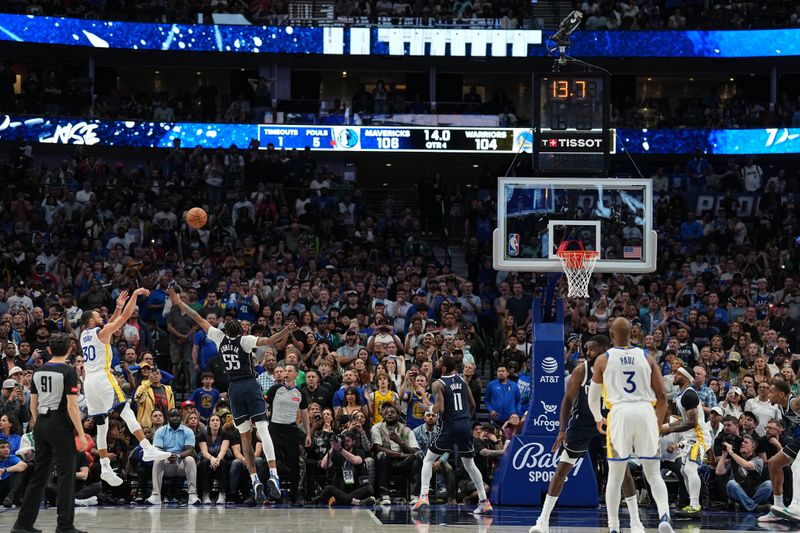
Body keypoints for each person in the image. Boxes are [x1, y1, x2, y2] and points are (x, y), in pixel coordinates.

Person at [168, 288, 295, 504]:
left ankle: (254, 478)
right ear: (240, 330)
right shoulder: (245, 341)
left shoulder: (219, 338)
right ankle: (272, 474)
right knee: (263, 429)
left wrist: (179, 302)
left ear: (225, 329)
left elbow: (197, 318)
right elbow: (270, 340)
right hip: (249, 385)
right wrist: (286, 330)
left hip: (234, 389)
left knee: (245, 435)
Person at [530, 335, 644, 533]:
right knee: (562, 468)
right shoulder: (581, 371)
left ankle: (636, 522)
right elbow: (566, 400)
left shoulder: (619, 371)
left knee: (622, 471)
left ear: (603, 349)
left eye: (591, 349)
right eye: (586, 348)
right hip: (582, 422)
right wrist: (561, 430)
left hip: (610, 422)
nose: (587, 352)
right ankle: (543, 520)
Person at [589, 318, 674, 533]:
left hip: (620, 412)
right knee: (654, 474)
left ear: (611, 333)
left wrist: (599, 417)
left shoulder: (603, 359)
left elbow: (592, 397)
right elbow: (663, 395)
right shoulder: (646, 356)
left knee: (616, 475)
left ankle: (614, 527)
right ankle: (664, 516)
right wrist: (657, 424)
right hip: (645, 410)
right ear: (632, 333)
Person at [79, 289, 171, 487]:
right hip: (104, 378)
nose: (101, 317)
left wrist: (118, 306)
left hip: (89, 382)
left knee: (102, 425)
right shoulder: (100, 332)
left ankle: (104, 466)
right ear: (91, 322)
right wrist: (135, 295)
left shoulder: (84, 335)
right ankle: (147, 447)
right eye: (97, 316)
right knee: (127, 411)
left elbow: (110, 323)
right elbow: (126, 318)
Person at [11, 332, 89, 533]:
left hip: (41, 424)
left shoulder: (38, 371)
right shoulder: (68, 372)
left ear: (49, 350)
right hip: (60, 424)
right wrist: (80, 434)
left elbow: (33, 406)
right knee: (66, 476)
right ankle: (64, 525)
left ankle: (23, 524)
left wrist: (39, 426)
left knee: (39, 476)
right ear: (70, 350)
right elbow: (72, 407)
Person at [413, 355, 492, 514]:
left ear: (442, 368)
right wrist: (465, 419)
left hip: (449, 425)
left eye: (439, 363)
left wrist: (427, 406)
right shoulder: (463, 381)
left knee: (428, 459)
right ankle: (484, 501)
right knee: (469, 464)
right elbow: (473, 404)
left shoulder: (437, 384)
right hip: (464, 424)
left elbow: (440, 409)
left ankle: (423, 497)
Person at [661, 366, 712, 518]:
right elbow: (683, 421)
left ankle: (695, 506)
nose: (674, 376)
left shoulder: (689, 395)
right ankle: (693, 504)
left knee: (690, 469)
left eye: (677, 373)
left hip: (698, 438)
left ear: (685, 376)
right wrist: (666, 426)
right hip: (690, 438)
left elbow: (692, 423)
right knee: (684, 471)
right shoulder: (682, 394)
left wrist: (669, 430)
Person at [264, 364, 312, 503]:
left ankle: (294, 496)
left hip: (291, 430)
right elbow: (264, 407)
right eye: (285, 370)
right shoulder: (275, 389)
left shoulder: (300, 392)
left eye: (290, 371)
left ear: (296, 375)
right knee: (275, 462)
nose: (286, 373)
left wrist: (308, 433)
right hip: (275, 429)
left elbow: (304, 414)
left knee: (294, 464)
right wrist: (261, 428)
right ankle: (273, 494)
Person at [759, 380, 800, 522]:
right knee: (773, 463)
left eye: (772, 392)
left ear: (782, 394)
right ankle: (778, 507)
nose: (769, 395)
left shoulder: (794, 402)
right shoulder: (782, 408)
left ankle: (797, 507)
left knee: (797, 466)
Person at [147, 408, 199, 506]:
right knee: (157, 460)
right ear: (168, 418)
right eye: (172, 416)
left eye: (177, 416)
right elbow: (157, 449)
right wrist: (167, 456)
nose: (175, 418)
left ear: (181, 417)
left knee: (190, 459)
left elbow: (190, 450)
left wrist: (178, 455)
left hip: (181, 465)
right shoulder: (160, 431)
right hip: (167, 464)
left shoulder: (188, 431)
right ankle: (156, 495)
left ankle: (192, 494)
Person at [318, 430, 375, 506]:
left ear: (354, 442)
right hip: (339, 489)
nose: (345, 443)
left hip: (354, 489)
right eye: (344, 441)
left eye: (348, 441)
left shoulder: (359, 451)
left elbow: (355, 460)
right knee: (328, 488)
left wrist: (340, 450)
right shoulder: (336, 453)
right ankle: (357, 502)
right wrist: (332, 448)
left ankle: (340, 501)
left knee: (369, 488)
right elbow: (323, 465)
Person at [717, 435, 772, 511]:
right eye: (742, 442)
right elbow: (719, 472)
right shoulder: (733, 459)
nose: (742, 443)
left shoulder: (758, 459)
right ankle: (754, 507)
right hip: (739, 491)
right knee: (731, 483)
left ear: (753, 447)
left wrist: (731, 452)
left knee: (769, 485)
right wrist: (724, 454)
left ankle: (744, 506)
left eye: (746, 442)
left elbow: (746, 465)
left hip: (754, 492)